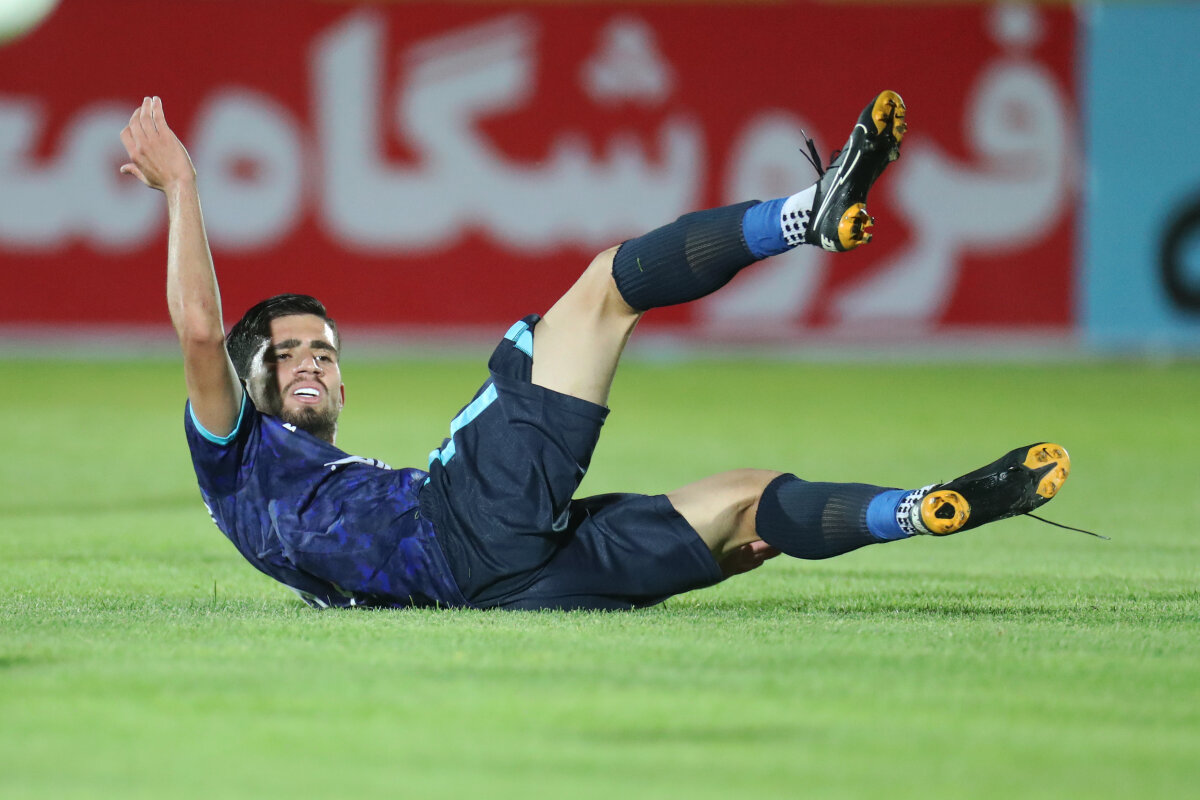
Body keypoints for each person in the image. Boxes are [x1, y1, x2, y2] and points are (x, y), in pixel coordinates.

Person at [119, 93, 1071, 611]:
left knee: (748, 510)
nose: (313, 361)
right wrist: (182, 187)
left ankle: (922, 508)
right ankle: (802, 216)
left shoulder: (308, 498)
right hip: (463, 523)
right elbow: (199, 329)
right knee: (606, 288)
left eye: (325, 351)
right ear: (244, 376)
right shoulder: (233, 451)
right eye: (287, 351)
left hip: (503, 591)